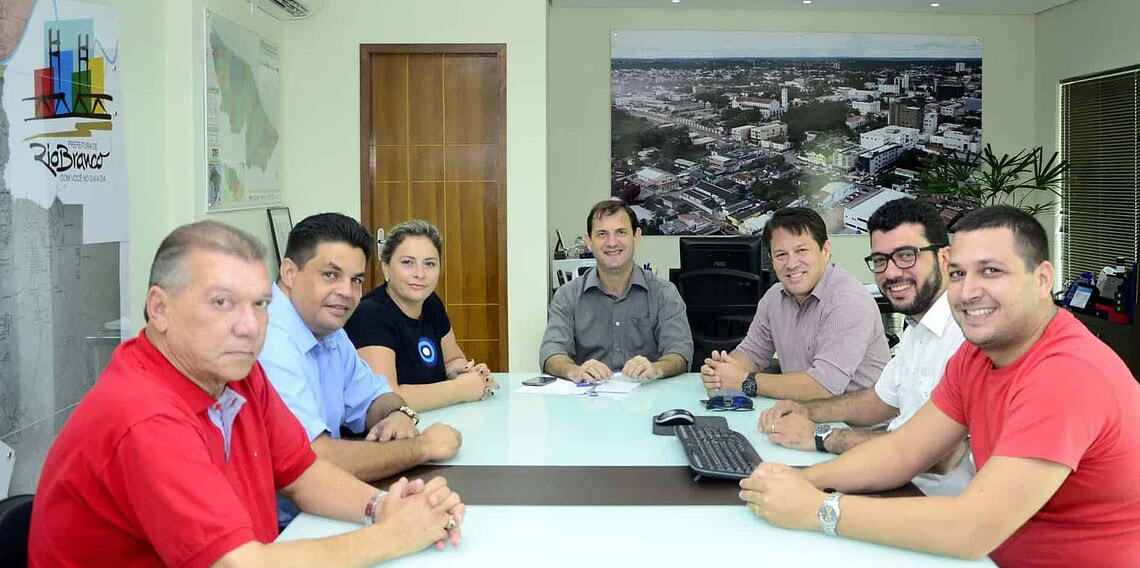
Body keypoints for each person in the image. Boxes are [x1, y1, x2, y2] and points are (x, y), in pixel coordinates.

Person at [29, 221, 466, 567]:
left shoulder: (236, 373)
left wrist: (383, 506)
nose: (249, 326)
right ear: (160, 309)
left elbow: (302, 473)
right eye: (222, 303)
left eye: (259, 305)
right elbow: (243, 563)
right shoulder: (145, 416)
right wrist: (393, 535)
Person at [739, 206, 1140, 566]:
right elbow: (901, 451)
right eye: (959, 274)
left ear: (1042, 279)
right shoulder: (978, 355)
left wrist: (819, 509)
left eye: (991, 271)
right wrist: (798, 481)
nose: (968, 291)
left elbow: (971, 529)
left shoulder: (1065, 373)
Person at [758, 198, 973, 496]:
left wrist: (821, 436)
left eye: (907, 255)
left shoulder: (968, 336)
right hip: (893, 482)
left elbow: (939, 457)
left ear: (945, 257)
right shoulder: (917, 330)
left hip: (931, 504)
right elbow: (879, 401)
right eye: (881, 260)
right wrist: (807, 411)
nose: (892, 272)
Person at [259, 213, 462, 523]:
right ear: (289, 272)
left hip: (320, 509)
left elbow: (376, 395)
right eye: (330, 275)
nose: (347, 292)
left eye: (355, 280)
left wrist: (397, 414)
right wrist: (423, 447)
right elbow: (314, 461)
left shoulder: (329, 327)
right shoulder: (268, 340)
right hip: (273, 528)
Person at [701, 207, 889, 401]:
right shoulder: (774, 297)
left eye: (801, 250)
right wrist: (722, 369)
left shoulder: (848, 300)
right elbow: (751, 353)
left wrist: (744, 380)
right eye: (781, 254)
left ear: (825, 250)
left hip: (859, 426)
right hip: (803, 416)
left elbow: (823, 386)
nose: (791, 264)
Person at [344, 219, 499, 411]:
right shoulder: (369, 314)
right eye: (408, 262)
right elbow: (385, 397)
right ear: (386, 267)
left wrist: (464, 373)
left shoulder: (430, 303)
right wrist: (459, 390)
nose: (420, 273)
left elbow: (452, 360)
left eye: (430, 264)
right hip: (386, 434)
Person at [539, 199, 693, 383]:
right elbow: (551, 353)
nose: (612, 243)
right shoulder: (567, 295)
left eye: (621, 232)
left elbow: (680, 354)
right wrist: (575, 371)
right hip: (587, 402)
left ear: (636, 236)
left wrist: (656, 368)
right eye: (602, 234)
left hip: (648, 401)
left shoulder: (664, 293)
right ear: (588, 241)